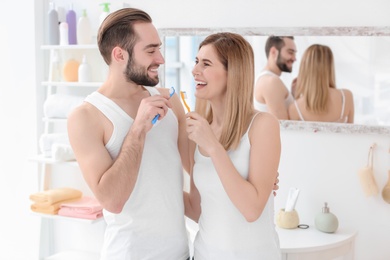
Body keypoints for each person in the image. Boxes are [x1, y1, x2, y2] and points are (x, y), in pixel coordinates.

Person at [67, 8, 191, 259]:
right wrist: (138, 129)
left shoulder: (169, 100)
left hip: (180, 253)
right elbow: (112, 200)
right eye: (151, 50)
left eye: (159, 48)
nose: (161, 58)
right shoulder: (86, 117)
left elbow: (198, 165)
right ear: (119, 54)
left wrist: (252, 172)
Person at [184, 32, 282, 259]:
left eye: (206, 63)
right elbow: (197, 209)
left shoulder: (262, 125)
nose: (195, 70)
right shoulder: (199, 131)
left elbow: (251, 210)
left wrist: (214, 149)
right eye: (196, 61)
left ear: (233, 73)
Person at [288, 44, 354, 123]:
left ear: (304, 68)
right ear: (330, 67)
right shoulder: (346, 97)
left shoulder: (294, 108)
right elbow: (352, 133)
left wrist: (295, 97)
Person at [254, 36, 297, 119]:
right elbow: (282, 127)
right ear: (274, 52)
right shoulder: (271, 82)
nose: (294, 58)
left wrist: (293, 95)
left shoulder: (266, 78)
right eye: (290, 52)